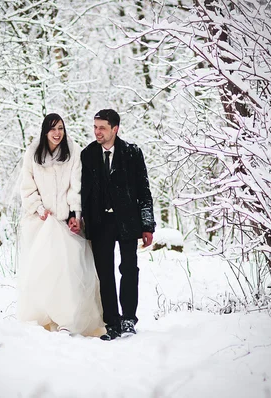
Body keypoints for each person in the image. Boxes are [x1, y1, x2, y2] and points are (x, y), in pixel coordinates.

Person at [18, 113, 104, 336]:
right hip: (41, 221)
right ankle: (44, 317)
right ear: (45, 131)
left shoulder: (73, 151)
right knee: (44, 270)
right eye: (53, 129)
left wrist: (75, 213)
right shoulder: (33, 153)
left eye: (61, 129)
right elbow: (27, 187)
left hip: (66, 222)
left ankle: (68, 320)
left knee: (71, 269)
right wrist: (38, 208)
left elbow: (76, 186)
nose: (57, 133)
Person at [80, 109, 156, 341]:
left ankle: (128, 319)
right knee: (105, 274)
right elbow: (81, 191)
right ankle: (112, 322)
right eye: (95, 127)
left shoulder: (132, 153)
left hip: (127, 221)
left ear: (115, 128)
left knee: (129, 270)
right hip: (100, 223)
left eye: (102, 127)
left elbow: (144, 191)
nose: (97, 132)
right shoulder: (87, 154)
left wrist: (147, 225)